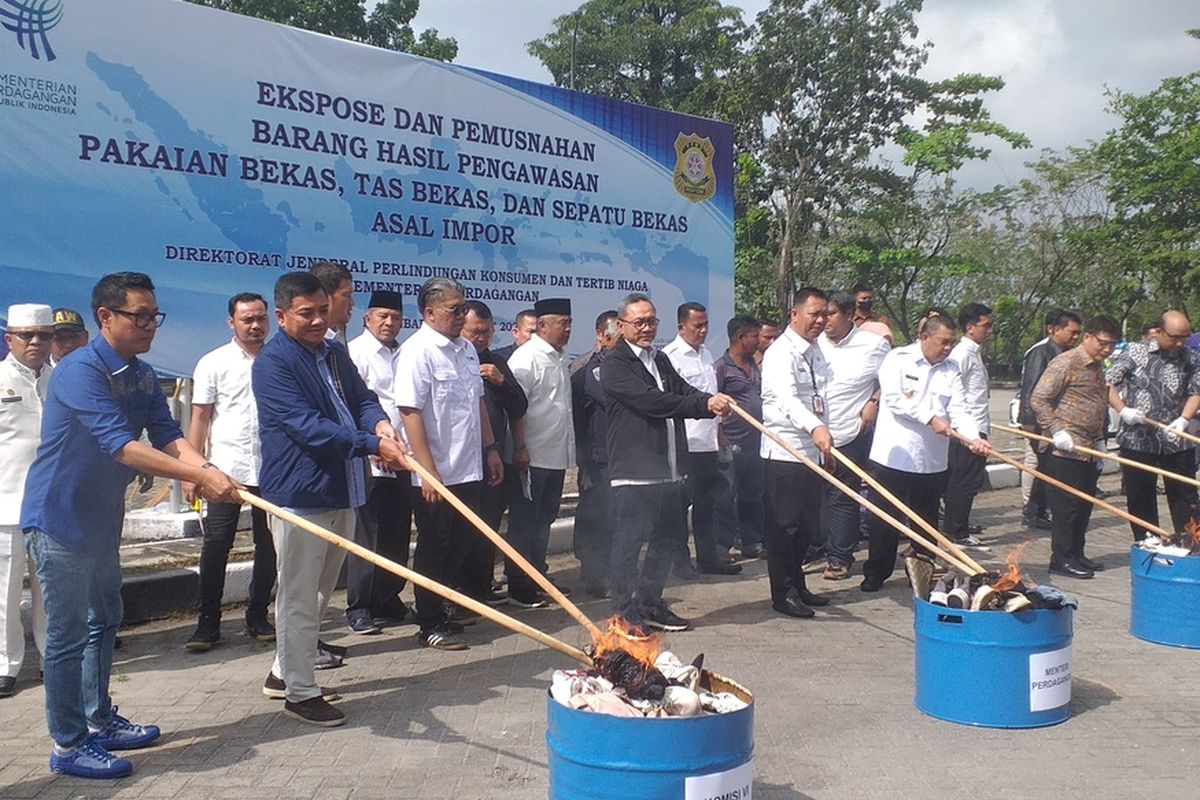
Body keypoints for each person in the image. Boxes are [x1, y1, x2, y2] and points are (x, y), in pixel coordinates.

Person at [22, 272, 242, 778]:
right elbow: (121, 446)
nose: (149, 326)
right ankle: (68, 744)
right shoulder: (80, 372)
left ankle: (99, 721)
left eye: (153, 316)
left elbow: (167, 433)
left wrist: (205, 469)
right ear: (105, 317)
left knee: (105, 620)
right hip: (59, 520)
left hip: (102, 521)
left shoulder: (140, 375)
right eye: (138, 316)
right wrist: (198, 475)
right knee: (67, 634)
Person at [253, 272, 409, 727]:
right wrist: (369, 444)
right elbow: (305, 426)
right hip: (301, 494)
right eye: (307, 313)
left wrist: (379, 425)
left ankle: (285, 671)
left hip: (342, 488)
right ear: (281, 316)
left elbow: (364, 399)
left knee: (322, 592)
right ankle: (301, 693)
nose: (319, 320)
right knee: (299, 596)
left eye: (324, 310)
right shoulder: (273, 364)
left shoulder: (335, 352)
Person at [602, 293, 732, 631]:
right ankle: (622, 610)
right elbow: (652, 402)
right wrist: (701, 407)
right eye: (639, 322)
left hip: (669, 468)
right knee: (629, 542)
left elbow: (682, 390)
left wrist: (709, 399)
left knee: (667, 539)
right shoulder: (614, 363)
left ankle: (650, 603)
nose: (646, 328)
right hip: (634, 472)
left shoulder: (658, 359)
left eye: (651, 321)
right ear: (622, 325)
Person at [397, 278, 504, 650]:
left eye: (463, 308)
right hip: (435, 470)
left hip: (469, 465)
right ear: (429, 312)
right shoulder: (418, 351)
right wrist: (426, 470)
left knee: (465, 538)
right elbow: (410, 413)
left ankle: (441, 604)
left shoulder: (466, 351)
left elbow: (477, 403)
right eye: (454, 310)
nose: (461, 316)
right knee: (435, 543)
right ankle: (428, 621)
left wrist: (490, 448)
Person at [860, 313, 990, 592]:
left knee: (926, 521)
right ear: (924, 337)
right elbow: (895, 399)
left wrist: (973, 438)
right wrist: (930, 418)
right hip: (894, 456)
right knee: (885, 518)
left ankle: (921, 570)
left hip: (931, 460)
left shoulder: (952, 368)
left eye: (951, 343)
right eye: (943, 342)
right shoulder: (898, 358)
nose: (947, 348)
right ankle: (877, 572)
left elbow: (959, 409)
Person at [184, 293, 277, 652]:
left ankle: (258, 614)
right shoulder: (213, 362)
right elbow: (200, 418)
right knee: (216, 544)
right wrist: (192, 470)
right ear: (231, 323)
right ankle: (208, 622)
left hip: (272, 470)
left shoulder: (278, 360)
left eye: (260, 319)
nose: (255, 325)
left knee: (268, 545)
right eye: (247, 320)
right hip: (224, 471)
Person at [760, 288, 843, 618]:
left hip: (813, 449)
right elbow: (788, 400)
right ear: (795, 314)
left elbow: (823, 399)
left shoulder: (816, 351)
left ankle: (798, 583)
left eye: (825, 314)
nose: (821, 321)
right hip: (785, 452)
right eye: (814, 314)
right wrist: (815, 428)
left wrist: (827, 442)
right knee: (785, 527)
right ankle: (783, 592)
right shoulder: (781, 353)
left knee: (808, 526)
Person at [1029, 315, 1122, 578]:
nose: (1107, 349)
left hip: (1088, 448)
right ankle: (1061, 559)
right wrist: (1057, 430)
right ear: (1088, 337)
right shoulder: (1066, 362)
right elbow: (1039, 399)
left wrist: (1102, 439)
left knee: (1084, 506)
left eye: (1112, 345)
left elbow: (1098, 401)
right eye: (1103, 343)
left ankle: (1077, 554)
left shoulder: (1097, 367)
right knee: (1066, 508)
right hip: (1063, 449)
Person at [345, 290, 413, 634]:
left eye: (396, 318)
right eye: (382, 316)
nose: (389, 323)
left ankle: (389, 598)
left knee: (397, 532)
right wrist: (372, 445)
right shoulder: (355, 353)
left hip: (402, 455)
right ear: (367, 319)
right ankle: (360, 605)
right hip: (372, 456)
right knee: (367, 533)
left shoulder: (404, 353)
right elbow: (354, 404)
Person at [1106, 310, 1200, 542]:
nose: (1179, 343)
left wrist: (1184, 419)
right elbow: (1107, 382)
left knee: (1185, 496)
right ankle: (1148, 541)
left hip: (1177, 440)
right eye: (1174, 337)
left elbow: (1196, 391)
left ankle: (1190, 544)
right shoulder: (1135, 352)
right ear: (1158, 332)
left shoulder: (1191, 357)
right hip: (1138, 438)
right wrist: (1122, 410)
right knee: (1140, 495)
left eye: (1184, 337)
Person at [506, 298, 576, 605]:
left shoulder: (558, 359)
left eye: (570, 324)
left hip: (555, 456)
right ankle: (519, 584)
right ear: (543, 325)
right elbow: (515, 408)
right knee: (525, 523)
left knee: (544, 519)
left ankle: (538, 574)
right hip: (531, 456)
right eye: (562, 323)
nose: (568, 330)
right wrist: (520, 447)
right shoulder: (527, 358)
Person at [664, 302, 741, 576]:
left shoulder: (707, 355)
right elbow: (671, 401)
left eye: (706, 325)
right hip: (685, 442)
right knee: (678, 505)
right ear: (681, 327)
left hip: (708, 442)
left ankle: (708, 559)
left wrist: (719, 431)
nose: (703, 331)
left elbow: (712, 395)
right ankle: (679, 561)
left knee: (708, 504)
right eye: (697, 325)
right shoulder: (669, 356)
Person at [816, 291, 889, 580]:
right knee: (814, 495)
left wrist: (874, 401)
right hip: (812, 431)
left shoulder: (873, 345)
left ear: (849, 315)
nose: (824, 321)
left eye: (830, 314)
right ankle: (816, 546)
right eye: (821, 314)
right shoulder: (813, 344)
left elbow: (889, 383)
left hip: (850, 431)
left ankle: (839, 557)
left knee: (842, 494)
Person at [460, 301, 527, 608]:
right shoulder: (452, 359)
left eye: (486, 332)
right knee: (461, 529)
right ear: (462, 327)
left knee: (488, 526)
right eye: (475, 331)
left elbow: (519, 407)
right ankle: (458, 594)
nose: (481, 338)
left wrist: (501, 383)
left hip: (494, 458)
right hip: (459, 461)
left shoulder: (497, 363)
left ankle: (481, 587)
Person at [1, 304, 52, 699]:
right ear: (9, 339)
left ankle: (54, 660)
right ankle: (6, 665)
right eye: (26, 336)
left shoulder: (63, 379)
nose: (36, 343)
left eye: (43, 335)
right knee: (4, 590)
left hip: (52, 502)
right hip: (5, 502)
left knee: (51, 589)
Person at [1017, 310, 1082, 528]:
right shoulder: (1041, 353)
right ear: (1053, 329)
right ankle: (1034, 511)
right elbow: (1031, 389)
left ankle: (1037, 511)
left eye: (1078, 334)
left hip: (1058, 422)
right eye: (1071, 332)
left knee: (1047, 468)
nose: (1075, 338)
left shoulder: (1068, 354)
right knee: (1044, 467)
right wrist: (1028, 420)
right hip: (1040, 422)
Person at [572, 311, 619, 598]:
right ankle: (594, 575)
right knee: (596, 515)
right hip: (597, 457)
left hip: (621, 455)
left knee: (616, 516)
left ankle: (612, 571)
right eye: (613, 336)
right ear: (600, 335)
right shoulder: (592, 369)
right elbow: (613, 400)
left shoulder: (630, 365)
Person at [714, 315, 767, 560]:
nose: (758, 340)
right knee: (726, 495)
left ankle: (752, 541)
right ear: (740, 338)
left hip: (755, 442)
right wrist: (720, 435)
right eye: (754, 336)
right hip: (730, 441)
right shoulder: (721, 367)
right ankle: (722, 545)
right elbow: (713, 404)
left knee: (752, 494)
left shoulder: (755, 365)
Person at [942, 302, 994, 551]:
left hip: (978, 425)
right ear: (970, 327)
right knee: (963, 482)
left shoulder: (974, 353)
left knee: (967, 482)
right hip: (967, 430)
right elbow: (952, 392)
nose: (989, 331)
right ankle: (956, 532)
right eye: (986, 326)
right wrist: (965, 432)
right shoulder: (961, 354)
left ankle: (957, 528)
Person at [310, 261, 355, 345]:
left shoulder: (338, 337)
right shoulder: (306, 343)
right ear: (325, 297)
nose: (352, 303)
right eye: (346, 295)